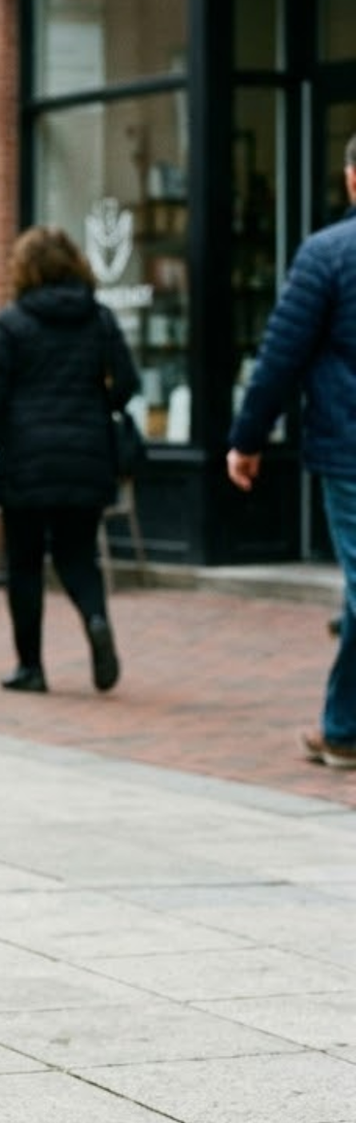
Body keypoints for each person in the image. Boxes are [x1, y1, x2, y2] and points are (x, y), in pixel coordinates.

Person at [0, 226, 137, 694]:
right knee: (79, 556)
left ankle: (31, 668)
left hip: (26, 460)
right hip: (87, 455)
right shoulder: (98, 318)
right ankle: (95, 618)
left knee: (25, 565)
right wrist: (97, 402)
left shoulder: (11, 323)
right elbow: (129, 382)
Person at [227, 133, 356, 769]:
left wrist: (248, 439)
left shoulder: (327, 254)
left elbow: (280, 356)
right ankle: (343, 729)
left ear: (352, 181)